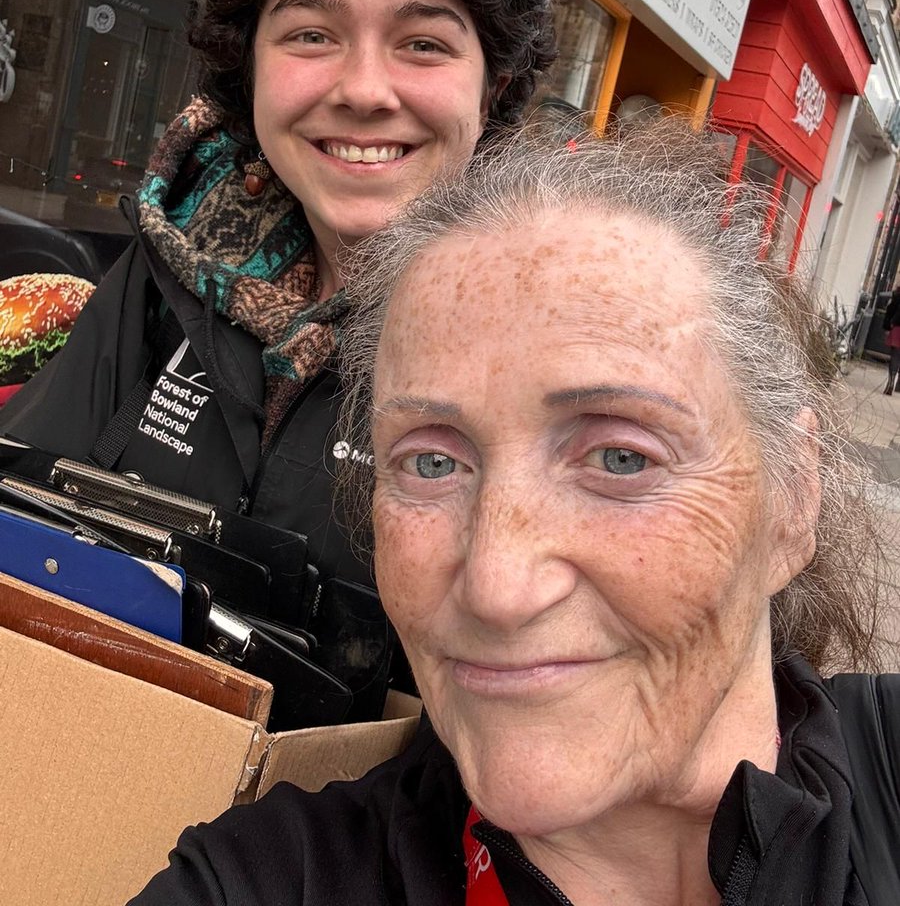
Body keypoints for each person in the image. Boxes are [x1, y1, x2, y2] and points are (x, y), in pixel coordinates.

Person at [128, 122, 897, 906]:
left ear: (793, 497)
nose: (498, 587)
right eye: (433, 462)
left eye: (621, 458)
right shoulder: (265, 883)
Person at [0, 0, 560, 710]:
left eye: (422, 41)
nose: (364, 89)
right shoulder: (166, 268)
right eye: (312, 34)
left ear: (491, 83)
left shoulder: (560, 344)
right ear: (250, 59)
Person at [882, 284, 900, 394]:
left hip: (898, 327)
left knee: (895, 356)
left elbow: (890, 310)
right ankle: (899, 385)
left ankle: (891, 381)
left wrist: (888, 326)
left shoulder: (897, 294)